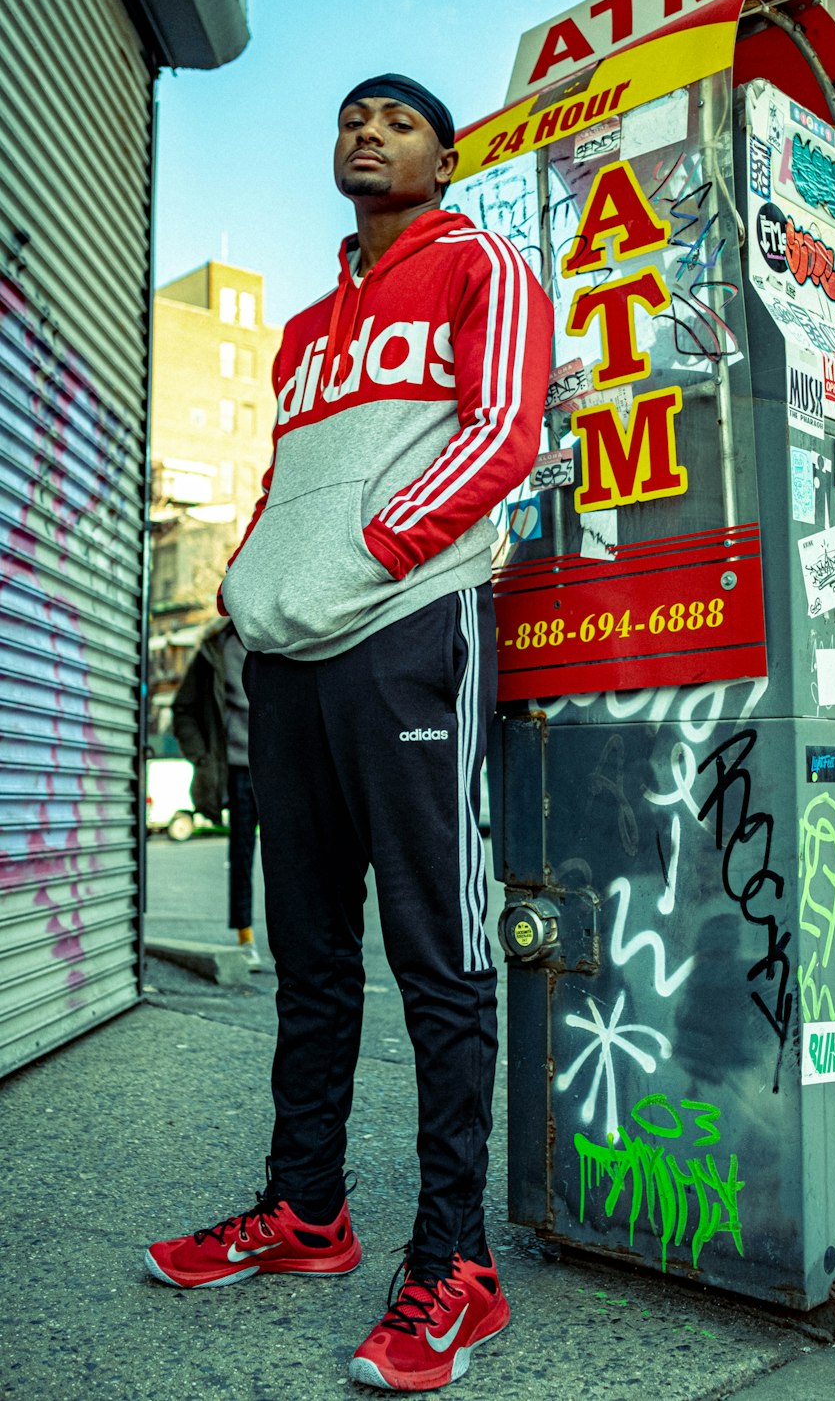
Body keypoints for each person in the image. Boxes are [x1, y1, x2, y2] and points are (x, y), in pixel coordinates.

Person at [145, 73, 553, 1392]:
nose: (364, 133)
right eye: (348, 120)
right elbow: (282, 478)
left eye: (395, 121)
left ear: (443, 155)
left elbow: (501, 433)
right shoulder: (310, 326)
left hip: (413, 628)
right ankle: (306, 1214)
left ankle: (458, 1265)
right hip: (295, 655)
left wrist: (371, 556)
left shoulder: (484, 264)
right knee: (313, 960)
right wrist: (256, 583)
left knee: (440, 954)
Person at [171, 618, 261, 970]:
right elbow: (183, 710)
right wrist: (203, 757)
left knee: (290, 859)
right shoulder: (214, 651)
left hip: (282, 767)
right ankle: (245, 938)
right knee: (241, 857)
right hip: (237, 770)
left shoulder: (278, 638)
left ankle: (295, 944)